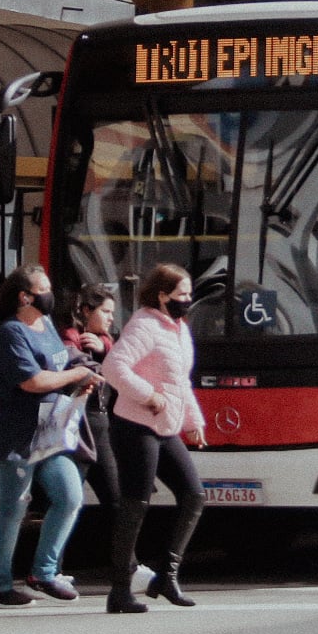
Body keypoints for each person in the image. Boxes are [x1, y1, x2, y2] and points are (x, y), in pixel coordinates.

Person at [0, 265, 96, 605]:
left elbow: (60, 365)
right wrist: (74, 374)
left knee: (70, 496)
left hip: (49, 430)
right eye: (42, 289)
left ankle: (43, 572)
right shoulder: (11, 333)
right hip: (14, 434)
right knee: (14, 507)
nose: (49, 294)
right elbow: (33, 380)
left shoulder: (45, 326)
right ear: (24, 296)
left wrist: (80, 375)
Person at [101, 262, 209, 612]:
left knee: (193, 495)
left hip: (166, 425)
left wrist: (194, 420)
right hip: (135, 425)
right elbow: (113, 367)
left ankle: (167, 576)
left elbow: (181, 381)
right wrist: (148, 395)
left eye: (190, 294)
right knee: (135, 504)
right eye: (181, 294)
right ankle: (120, 590)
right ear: (162, 296)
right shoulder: (145, 325)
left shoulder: (179, 329)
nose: (187, 300)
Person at [64, 284, 122, 508]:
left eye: (112, 313)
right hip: (77, 427)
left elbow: (120, 363)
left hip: (100, 426)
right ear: (87, 310)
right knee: (67, 502)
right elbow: (72, 362)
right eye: (105, 312)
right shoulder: (69, 337)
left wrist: (105, 347)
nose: (110, 318)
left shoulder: (104, 341)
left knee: (115, 499)